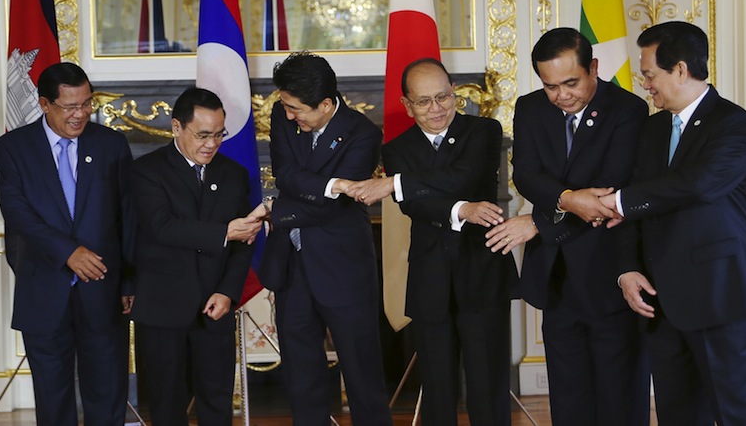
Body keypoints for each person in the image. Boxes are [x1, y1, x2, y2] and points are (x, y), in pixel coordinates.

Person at [597, 21, 746, 425]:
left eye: (649, 74)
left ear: (679, 69)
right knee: (678, 416)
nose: (645, 84)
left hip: (720, 298)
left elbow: (698, 184)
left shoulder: (732, 122)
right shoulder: (652, 127)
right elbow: (634, 209)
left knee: (739, 415)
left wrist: (620, 200)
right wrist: (627, 268)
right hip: (661, 303)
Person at [484, 28, 650, 426]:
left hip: (610, 271)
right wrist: (567, 199)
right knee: (568, 395)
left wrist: (540, 221)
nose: (561, 95)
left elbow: (610, 195)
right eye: (550, 86)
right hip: (556, 277)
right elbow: (526, 175)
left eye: (571, 83)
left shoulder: (628, 110)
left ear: (593, 67)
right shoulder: (530, 108)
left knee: (618, 396)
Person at [349, 58, 518, 426]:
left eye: (443, 97)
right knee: (438, 390)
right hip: (431, 278)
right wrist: (462, 209)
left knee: (487, 385)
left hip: (482, 273)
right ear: (407, 105)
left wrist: (397, 183)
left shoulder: (483, 131)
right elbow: (415, 206)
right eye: (424, 101)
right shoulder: (395, 150)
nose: (436, 108)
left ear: (453, 92)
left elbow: (465, 176)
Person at [0, 62, 134, 425]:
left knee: (107, 393)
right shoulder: (12, 149)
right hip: (43, 288)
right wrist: (68, 252)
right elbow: (18, 214)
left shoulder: (111, 144)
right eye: (70, 106)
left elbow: (127, 216)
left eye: (86, 104)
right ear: (44, 104)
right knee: (53, 400)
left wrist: (129, 281)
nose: (81, 114)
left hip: (102, 290)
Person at [256, 52, 393, 426]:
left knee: (362, 373)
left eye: (296, 108)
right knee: (301, 375)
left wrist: (278, 212)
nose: (288, 115)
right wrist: (335, 186)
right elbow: (285, 176)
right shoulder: (283, 116)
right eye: (285, 105)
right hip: (293, 264)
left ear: (327, 104)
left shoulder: (363, 133)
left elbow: (335, 208)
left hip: (343, 267)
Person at [129, 87, 264, 425]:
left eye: (219, 134)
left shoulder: (233, 174)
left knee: (217, 400)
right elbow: (163, 227)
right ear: (177, 127)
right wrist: (224, 231)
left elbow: (243, 241)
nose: (212, 144)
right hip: (163, 306)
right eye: (203, 135)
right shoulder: (147, 171)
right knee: (166, 402)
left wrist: (229, 291)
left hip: (214, 306)